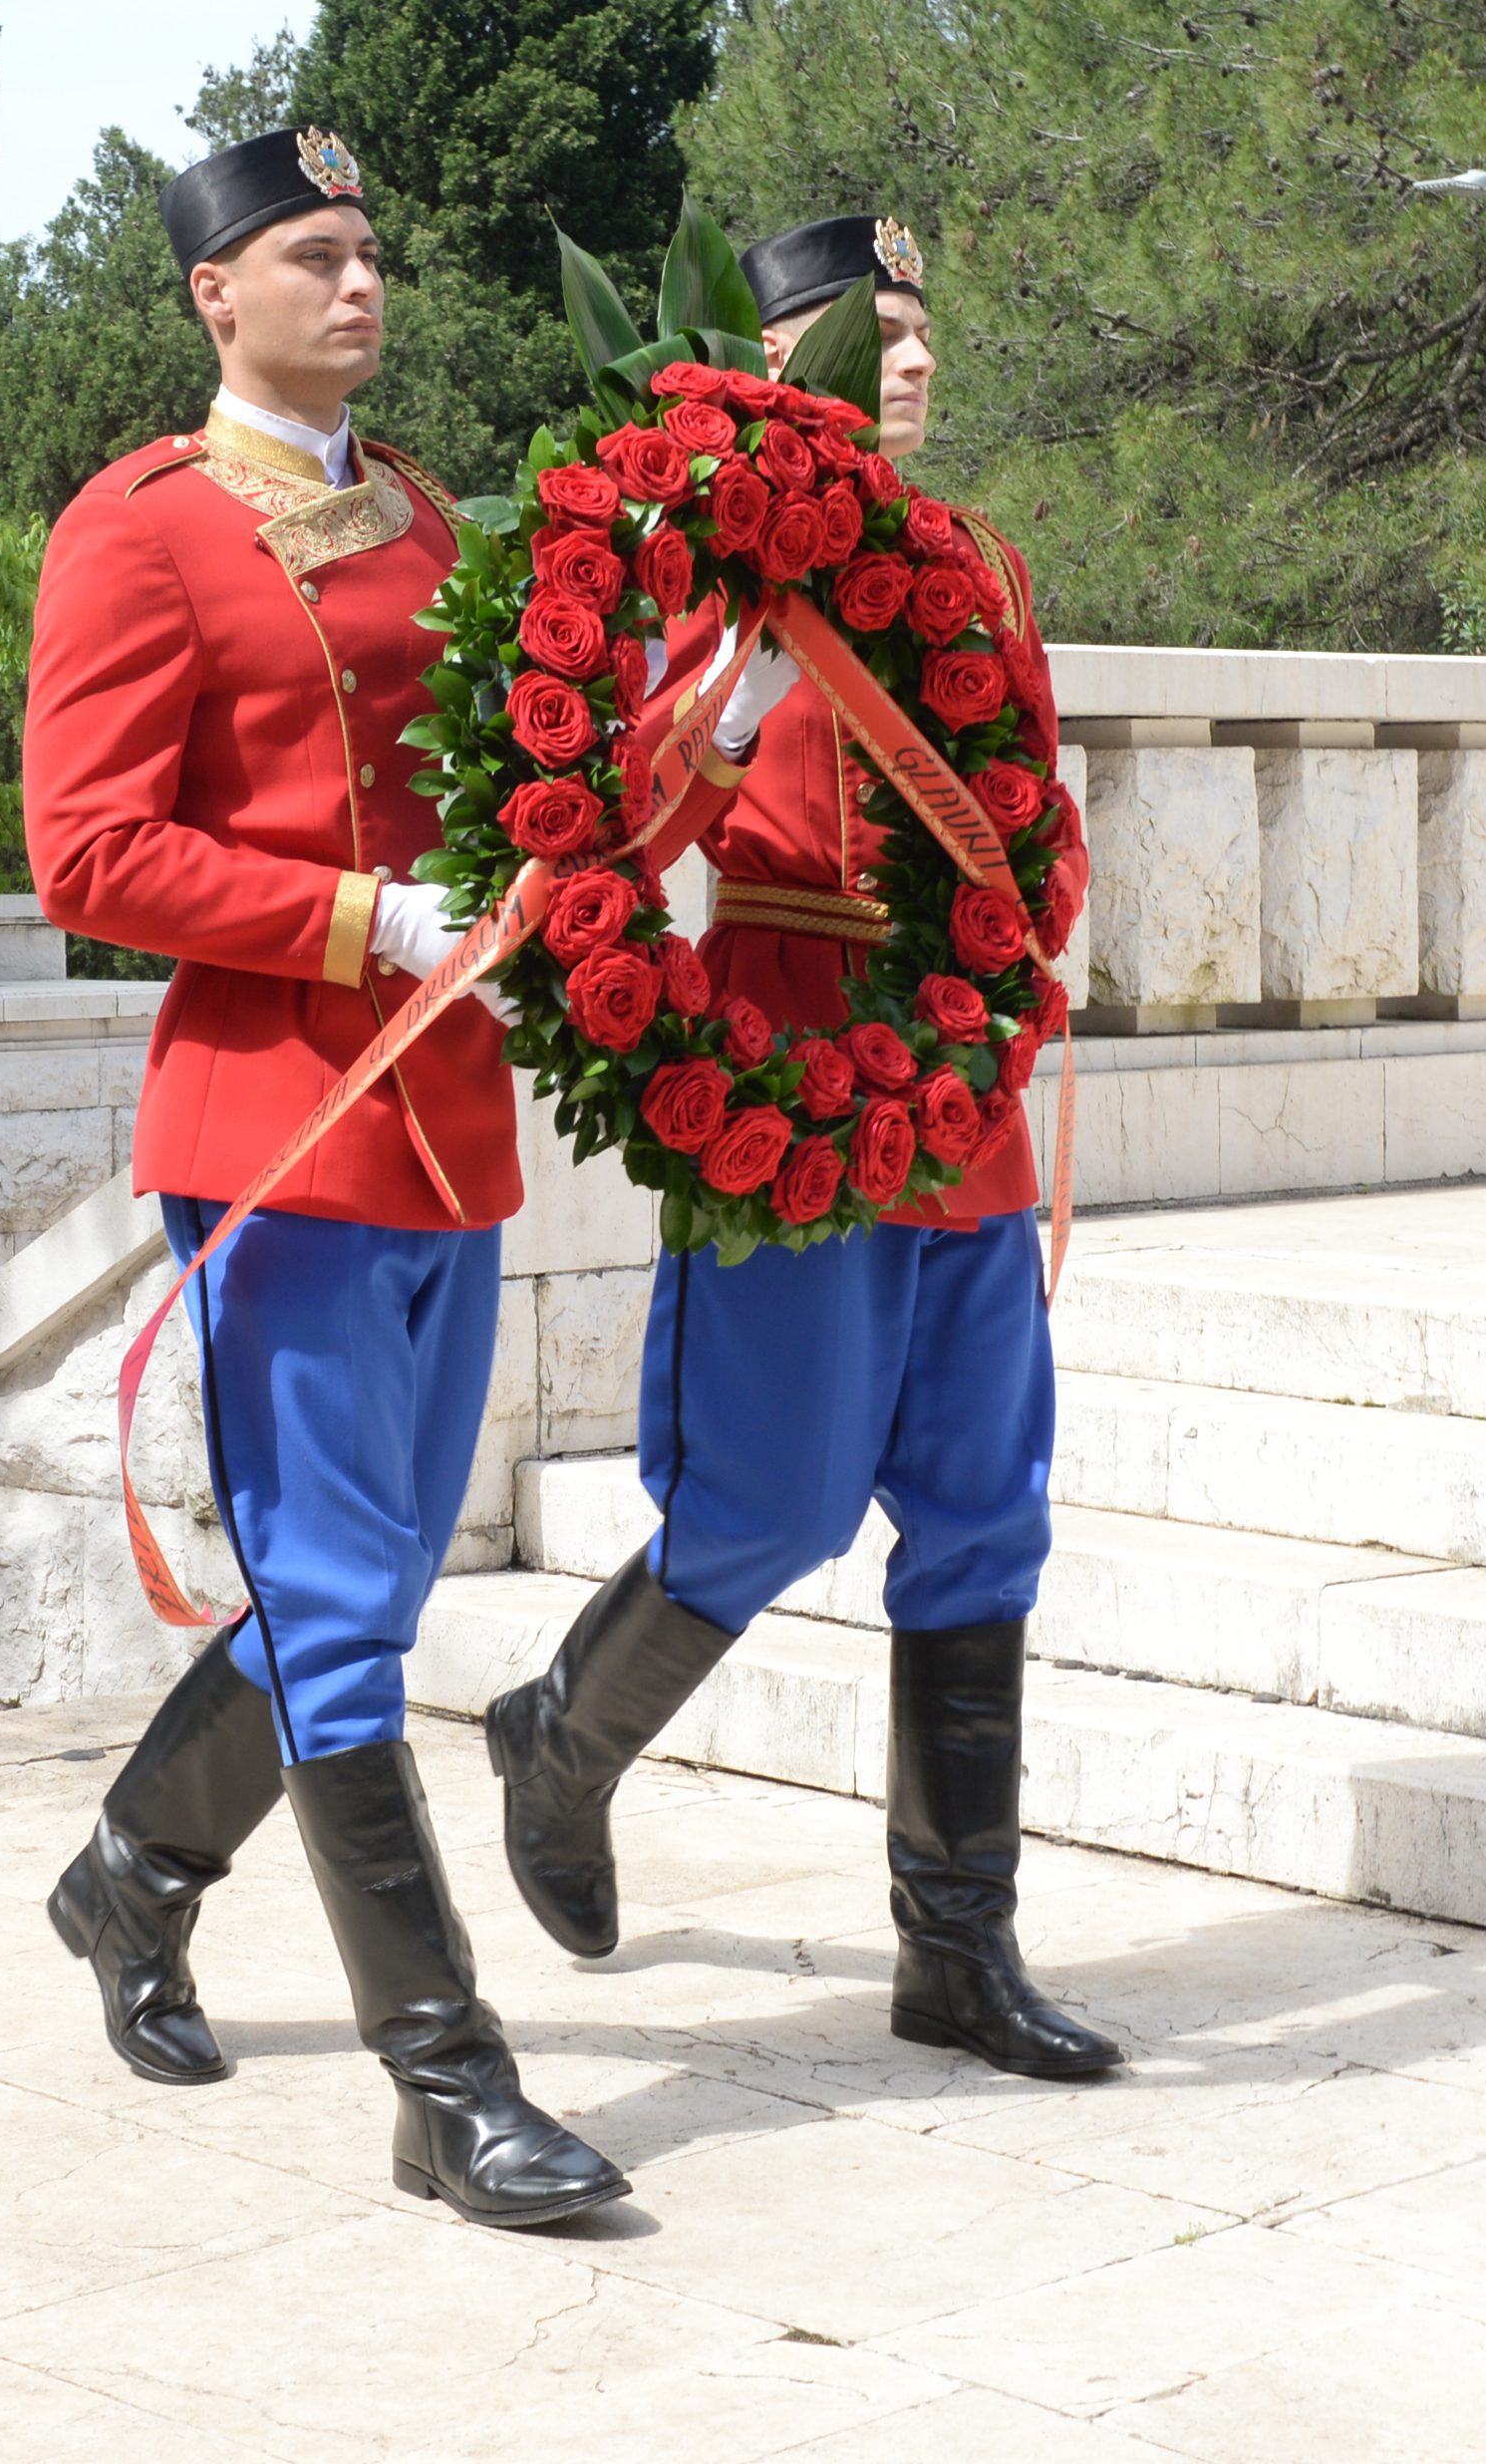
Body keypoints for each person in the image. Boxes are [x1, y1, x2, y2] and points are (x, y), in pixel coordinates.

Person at [22, 127, 784, 2230]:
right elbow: (84, 852)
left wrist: (721, 722)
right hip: (272, 1117)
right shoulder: (138, 529)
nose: (357, 288)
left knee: (353, 1589)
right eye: (312, 257)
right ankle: (445, 2091)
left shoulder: (435, 520)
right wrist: (358, 916)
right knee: (346, 1618)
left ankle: (129, 1875)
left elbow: (552, 808)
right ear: (212, 294)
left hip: (446, 1123)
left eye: (369, 256)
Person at [479, 213, 1121, 2079]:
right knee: (769, 1501)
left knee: (987, 1511)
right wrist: (743, 670)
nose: (912, 359)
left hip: (961, 1099)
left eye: (922, 327)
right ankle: (565, 1736)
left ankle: (955, 1947)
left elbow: (1031, 803)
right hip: (782, 1066)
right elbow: (636, 804)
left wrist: (1017, 962)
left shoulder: (976, 562)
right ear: (778, 373)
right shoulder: (704, 561)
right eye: (872, 332)